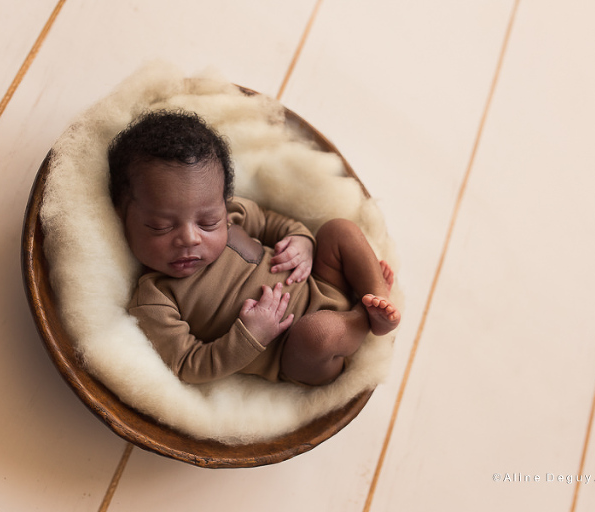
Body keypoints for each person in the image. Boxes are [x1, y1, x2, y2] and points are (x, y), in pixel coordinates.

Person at [108, 110, 400, 386]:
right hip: (298, 354)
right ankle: (364, 319)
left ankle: (375, 295)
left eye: (208, 222)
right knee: (317, 333)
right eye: (161, 227)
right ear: (123, 217)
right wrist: (250, 335)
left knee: (339, 230)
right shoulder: (155, 299)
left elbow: (278, 224)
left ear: (223, 204)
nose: (190, 238)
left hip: (322, 283)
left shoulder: (234, 216)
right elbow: (187, 363)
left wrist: (302, 242)